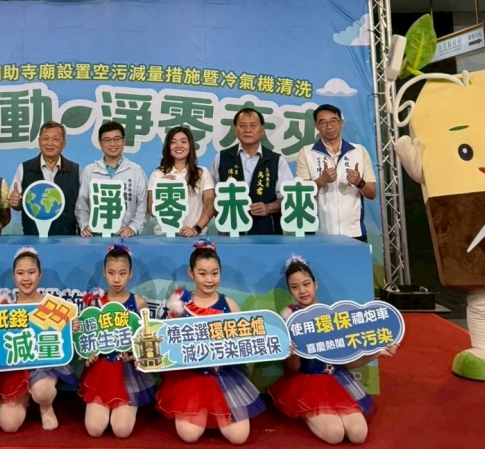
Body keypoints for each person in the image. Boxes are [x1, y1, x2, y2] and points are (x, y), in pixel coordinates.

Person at [270, 256, 397, 444]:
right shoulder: (288, 318)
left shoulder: (334, 317)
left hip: (338, 380)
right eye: (295, 287)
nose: (302, 291)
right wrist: (292, 353)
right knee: (334, 435)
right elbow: (292, 369)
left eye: (306, 284)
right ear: (290, 290)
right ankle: (306, 411)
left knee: (358, 435)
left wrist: (377, 352)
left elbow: (347, 362)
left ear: (315, 285)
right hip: (308, 384)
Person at [157, 240, 265, 445]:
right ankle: (201, 414)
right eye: (202, 273)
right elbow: (164, 341)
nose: (209, 279)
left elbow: (246, 344)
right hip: (190, 379)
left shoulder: (229, 305)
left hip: (225, 376)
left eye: (214, 273)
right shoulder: (178, 305)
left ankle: (213, 414)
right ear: (191, 273)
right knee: (189, 435)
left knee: (239, 437)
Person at [0, 248, 77, 432]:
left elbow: (64, 340)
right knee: (9, 425)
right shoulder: (3, 307)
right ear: (14, 276)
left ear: (40, 275)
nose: (26, 278)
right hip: (14, 369)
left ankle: (46, 407)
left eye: (31, 272)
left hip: (43, 368)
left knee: (43, 391)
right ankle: (24, 398)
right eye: (20, 273)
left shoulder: (52, 306)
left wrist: (71, 328)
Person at [77, 243, 156, 438]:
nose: (117, 279)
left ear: (130, 274)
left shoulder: (138, 302)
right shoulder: (94, 303)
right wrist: (88, 356)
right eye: (111, 273)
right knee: (94, 430)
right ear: (104, 273)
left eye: (122, 273)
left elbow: (148, 340)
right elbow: (86, 342)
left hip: (128, 372)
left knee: (122, 430)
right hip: (101, 371)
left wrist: (138, 356)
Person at [295, 105, 376, 240]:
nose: (329, 126)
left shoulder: (359, 151)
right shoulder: (306, 152)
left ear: (341, 123)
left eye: (333, 121)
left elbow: (372, 194)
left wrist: (359, 182)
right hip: (319, 232)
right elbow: (301, 195)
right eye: (323, 122)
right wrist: (322, 180)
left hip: (354, 232)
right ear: (316, 126)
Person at [210, 108, 295, 235]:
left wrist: (268, 208)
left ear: (262, 130)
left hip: (267, 233)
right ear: (235, 130)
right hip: (230, 232)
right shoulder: (222, 158)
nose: (248, 130)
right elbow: (211, 195)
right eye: (242, 126)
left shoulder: (276, 160)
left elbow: (289, 198)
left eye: (253, 126)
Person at [76, 122, 148, 237]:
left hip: (126, 238)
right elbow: (81, 204)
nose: (112, 143)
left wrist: (133, 228)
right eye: (107, 140)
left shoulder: (136, 170)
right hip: (95, 237)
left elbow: (143, 205)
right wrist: (84, 225)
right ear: (100, 143)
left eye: (117, 139)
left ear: (124, 141)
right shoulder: (89, 171)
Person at [9, 121, 81, 236]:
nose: (50, 143)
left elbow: (82, 206)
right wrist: (15, 202)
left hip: (66, 238)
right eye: (46, 138)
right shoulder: (24, 168)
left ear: (64, 143)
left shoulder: (76, 170)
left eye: (55, 139)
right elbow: (17, 204)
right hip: (33, 237)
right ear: (39, 141)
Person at [148, 126, 215, 236]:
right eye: (173, 142)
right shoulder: (158, 174)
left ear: (190, 146)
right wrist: (162, 188)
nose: (178, 145)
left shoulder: (202, 173)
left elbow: (210, 205)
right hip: (164, 236)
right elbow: (151, 210)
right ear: (168, 147)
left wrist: (196, 229)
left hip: (194, 236)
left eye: (183, 142)